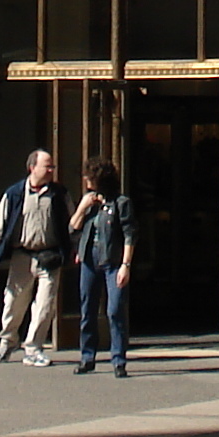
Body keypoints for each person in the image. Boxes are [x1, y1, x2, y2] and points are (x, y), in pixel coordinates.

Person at [0, 148, 66, 366]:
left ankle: (34, 348)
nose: (51, 170)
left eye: (52, 166)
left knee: (45, 304)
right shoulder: (15, 193)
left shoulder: (59, 194)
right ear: (32, 168)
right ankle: (8, 341)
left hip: (50, 255)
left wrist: (74, 248)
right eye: (47, 166)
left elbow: (70, 223)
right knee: (13, 301)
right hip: (23, 256)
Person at [69, 160, 136, 377]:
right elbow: (73, 227)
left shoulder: (121, 203)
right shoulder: (90, 203)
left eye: (90, 178)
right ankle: (87, 356)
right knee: (87, 308)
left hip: (113, 259)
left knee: (114, 309)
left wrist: (126, 264)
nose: (87, 182)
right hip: (90, 258)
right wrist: (82, 207)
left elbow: (129, 234)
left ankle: (118, 359)